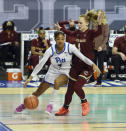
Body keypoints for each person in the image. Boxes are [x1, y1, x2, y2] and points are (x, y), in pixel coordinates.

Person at [14, 31, 100, 114]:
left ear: (65, 39)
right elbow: (41, 64)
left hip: (66, 71)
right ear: (55, 40)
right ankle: (24, 105)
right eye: (58, 39)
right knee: (37, 93)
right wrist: (30, 77)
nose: (60, 41)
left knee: (57, 82)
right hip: (53, 71)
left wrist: (93, 65)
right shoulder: (50, 50)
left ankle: (50, 105)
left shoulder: (70, 47)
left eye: (62, 39)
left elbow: (83, 57)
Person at [54, 11, 103, 116]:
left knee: (77, 87)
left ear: (86, 23)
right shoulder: (76, 32)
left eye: (80, 23)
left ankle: (85, 102)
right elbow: (68, 32)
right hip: (75, 65)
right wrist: (61, 29)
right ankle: (65, 108)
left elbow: (99, 32)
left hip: (87, 66)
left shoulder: (90, 33)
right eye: (78, 23)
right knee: (70, 90)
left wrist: (99, 23)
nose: (78, 25)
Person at [89, 9, 109, 86]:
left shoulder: (106, 25)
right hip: (93, 47)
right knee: (92, 63)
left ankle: (99, 81)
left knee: (100, 64)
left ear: (103, 15)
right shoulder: (94, 24)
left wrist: (102, 46)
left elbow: (106, 37)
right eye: (98, 14)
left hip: (101, 47)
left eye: (101, 14)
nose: (99, 16)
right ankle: (91, 79)